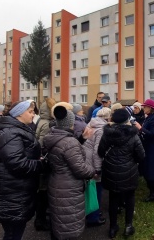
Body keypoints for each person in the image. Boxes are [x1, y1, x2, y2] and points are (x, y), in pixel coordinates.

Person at [0, 100, 44, 240]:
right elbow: (18, 164)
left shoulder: (18, 128)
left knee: (14, 230)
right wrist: (42, 164)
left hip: (15, 189)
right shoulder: (10, 132)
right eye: (30, 112)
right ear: (19, 113)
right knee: (13, 232)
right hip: (10, 191)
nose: (33, 115)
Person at [44, 105, 95, 240]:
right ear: (71, 123)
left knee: (58, 220)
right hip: (69, 187)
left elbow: (65, 153)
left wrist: (82, 139)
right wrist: (93, 170)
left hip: (56, 183)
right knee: (69, 222)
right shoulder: (70, 142)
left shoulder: (52, 135)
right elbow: (80, 168)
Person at [98, 109, 145, 238]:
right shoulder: (133, 135)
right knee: (130, 198)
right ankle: (128, 226)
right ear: (127, 120)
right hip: (129, 171)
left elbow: (101, 152)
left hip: (111, 171)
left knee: (113, 198)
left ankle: (113, 227)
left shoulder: (107, 134)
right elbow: (141, 155)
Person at [83, 107, 111, 227]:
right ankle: (93, 217)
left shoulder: (91, 124)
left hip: (86, 158)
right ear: (107, 117)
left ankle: (90, 213)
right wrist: (98, 169)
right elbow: (97, 151)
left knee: (90, 189)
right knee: (96, 189)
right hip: (93, 162)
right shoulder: (101, 130)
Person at [34, 97, 57, 231]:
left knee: (42, 192)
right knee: (43, 192)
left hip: (40, 161)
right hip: (44, 164)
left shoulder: (41, 121)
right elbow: (44, 145)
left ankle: (40, 217)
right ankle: (40, 220)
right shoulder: (47, 124)